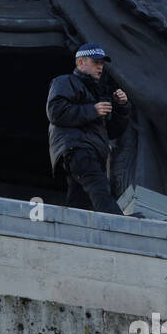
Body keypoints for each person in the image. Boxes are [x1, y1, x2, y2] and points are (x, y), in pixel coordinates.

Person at [47, 43, 130, 214]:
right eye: (95, 62)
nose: (100, 67)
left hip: (91, 152)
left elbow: (113, 132)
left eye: (102, 63)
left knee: (80, 201)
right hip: (77, 148)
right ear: (81, 62)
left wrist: (121, 107)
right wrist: (92, 110)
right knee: (100, 188)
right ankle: (119, 225)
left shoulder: (99, 93)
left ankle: (71, 231)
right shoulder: (65, 81)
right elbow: (55, 112)